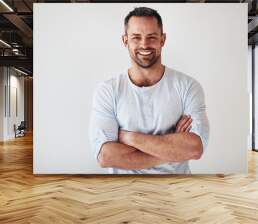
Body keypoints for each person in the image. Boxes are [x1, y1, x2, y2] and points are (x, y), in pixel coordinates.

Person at [89, 6, 209, 174]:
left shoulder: (188, 86)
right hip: (123, 193)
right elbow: (106, 157)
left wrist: (129, 137)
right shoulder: (107, 90)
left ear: (162, 40)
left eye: (151, 37)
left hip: (176, 190)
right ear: (125, 41)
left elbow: (195, 148)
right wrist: (172, 149)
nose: (144, 44)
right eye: (136, 37)